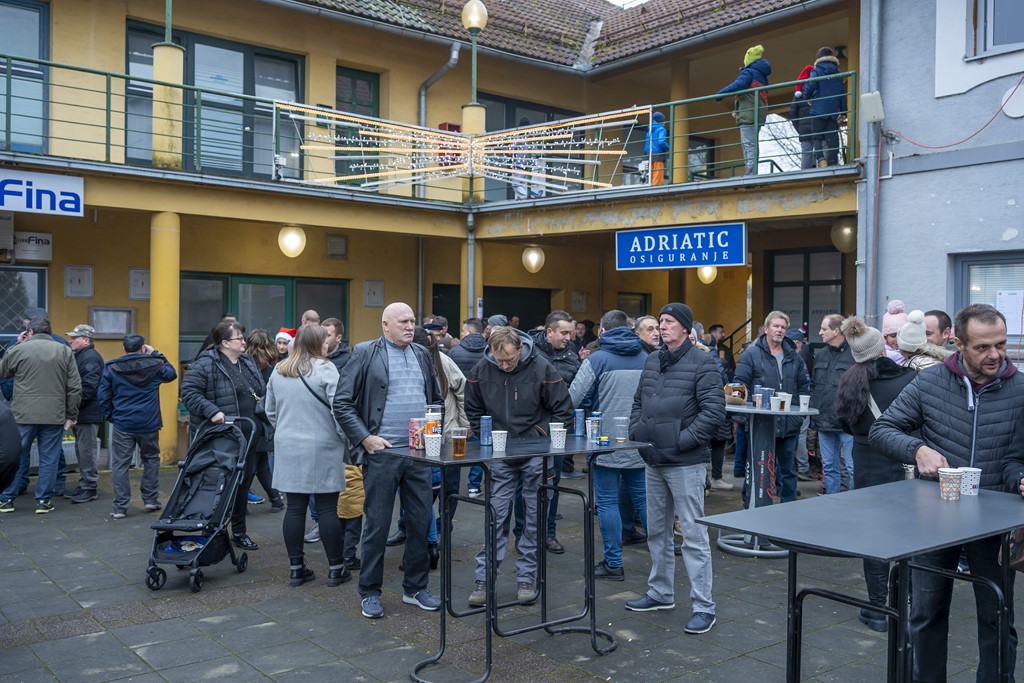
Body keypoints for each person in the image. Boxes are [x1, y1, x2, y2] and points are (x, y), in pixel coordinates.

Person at [870, 303, 1024, 681]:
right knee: (926, 613)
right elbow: (882, 430)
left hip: (994, 519)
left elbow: (1018, 457)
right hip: (935, 515)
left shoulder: (1020, 388)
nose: (995, 355)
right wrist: (917, 449)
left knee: (997, 614)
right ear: (958, 344)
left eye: (1001, 345)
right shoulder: (929, 381)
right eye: (983, 347)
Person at [333, 302, 442, 619]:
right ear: (385, 325)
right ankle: (369, 591)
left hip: (418, 452)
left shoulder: (421, 353)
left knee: (421, 523)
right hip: (382, 453)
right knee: (377, 525)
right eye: (404, 321)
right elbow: (342, 403)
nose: (411, 326)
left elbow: (434, 399)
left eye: (412, 321)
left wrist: (435, 433)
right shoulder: (365, 352)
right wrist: (366, 438)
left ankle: (415, 588)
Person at [625, 303, 722, 635]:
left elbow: (713, 412)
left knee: (693, 536)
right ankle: (660, 592)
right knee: (656, 531)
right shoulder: (653, 360)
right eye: (658, 323)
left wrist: (681, 441)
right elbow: (638, 402)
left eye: (667, 322)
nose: (660, 328)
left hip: (686, 462)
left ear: (684, 327)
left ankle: (703, 606)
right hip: (653, 458)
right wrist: (637, 432)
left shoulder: (703, 363)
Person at [465, 326, 573, 606]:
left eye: (510, 360)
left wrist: (539, 434)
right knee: (495, 516)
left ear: (520, 349)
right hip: (501, 453)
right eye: (499, 361)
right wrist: (485, 435)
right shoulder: (482, 368)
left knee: (534, 519)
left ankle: (527, 577)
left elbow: (563, 410)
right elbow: (473, 409)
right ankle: (485, 578)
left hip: (535, 452)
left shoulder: (541, 367)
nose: (504, 365)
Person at [835, 315, 915, 633]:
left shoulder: (849, 383)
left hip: (866, 466)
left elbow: (843, 423)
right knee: (908, 536)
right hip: (902, 463)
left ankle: (877, 608)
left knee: (874, 539)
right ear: (883, 348)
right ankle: (905, 603)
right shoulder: (908, 380)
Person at [265, 324, 350, 588]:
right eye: (324, 341)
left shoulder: (279, 371)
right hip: (323, 446)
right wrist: (344, 439)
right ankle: (336, 568)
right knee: (327, 509)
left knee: (294, 507)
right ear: (316, 344)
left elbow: (269, 411)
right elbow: (339, 411)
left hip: (288, 446)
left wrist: (286, 431)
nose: (327, 345)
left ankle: (295, 569)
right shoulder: (326, 370)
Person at [569, 310, 648, 580]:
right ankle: (663, 556)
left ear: (602, 331)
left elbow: (573, 398)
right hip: (639, 441)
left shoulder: (597, 359)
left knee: (606, 502)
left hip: (605, 442)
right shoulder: (647, 358)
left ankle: (614, 563)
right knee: (646, 500)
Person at [180, 319, 265, 551]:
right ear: (225, 343)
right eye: (239, 338)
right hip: (222, 438)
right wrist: (213, 411)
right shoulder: (206, 363)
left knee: (243, 484)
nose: (244, 341)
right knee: (219, 485)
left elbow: (260, 391)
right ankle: (211, 530)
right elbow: (188, 392)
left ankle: (239, 532)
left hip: (249, 437)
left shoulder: (247, 361)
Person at [0, 317, 81, 514]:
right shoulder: (64, 351)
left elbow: (3, 372)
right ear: (50, 332)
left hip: (23, 413)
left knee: (18, 455)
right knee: (49, 458)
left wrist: (16, 345)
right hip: (53, 413)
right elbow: (75, 386)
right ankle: (43, 501)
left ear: (30, 332)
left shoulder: (20, 349)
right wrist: (71, 413)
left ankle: (6, 499)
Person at [733, 311, 810, 503]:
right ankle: (750, 506)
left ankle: (789, 509)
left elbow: (804, 386)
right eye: (776, 326)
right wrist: (744, 418)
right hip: (761, 424)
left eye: (783, 327)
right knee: (757, 468)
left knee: (788, 471)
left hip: (788, 423)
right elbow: (739, 385)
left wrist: (798, 415)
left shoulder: (794, 356)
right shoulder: (751, 354)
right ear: (766, 329)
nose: (779, 330)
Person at [98, 334, 176, 519]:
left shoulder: (111, 367)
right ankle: (150, 499)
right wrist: (156, 353)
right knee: (150, 459)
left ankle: (120, 507)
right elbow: (171, 374)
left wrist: (111, 415)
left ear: (124, 349)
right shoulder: (155, 364)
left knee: (120, 464)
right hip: (148, 422)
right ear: (143, 348)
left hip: (123, 422)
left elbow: (103, 396)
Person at [810, 314, 855, 495]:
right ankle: (831, 502)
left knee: (852, 467)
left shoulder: (854, 354)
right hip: (824, 420)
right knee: (828, 466)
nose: (820, 332)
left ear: (836, 331)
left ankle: (856, 505)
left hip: (847, 421)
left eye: (824, 329)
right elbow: (814, 386)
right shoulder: (820, 355)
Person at [245, 329, 284, 512]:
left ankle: (240, 502)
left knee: (252, 465)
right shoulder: (275, 365)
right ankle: (276, 499)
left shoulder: (245, 365)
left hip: (252, 420)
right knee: (261, 463)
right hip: (268, 420)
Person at [716, 45, 771, 176]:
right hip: (758, 111)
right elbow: (748, 91)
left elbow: (739, 85)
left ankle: (751, 172)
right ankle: (752, 170)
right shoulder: (762, 74)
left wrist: (720, 94)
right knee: (752, 142)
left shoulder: (749, 72)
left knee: (748, 144)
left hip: (749, 111)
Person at [65, 324, 104, 504]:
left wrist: (74, 409)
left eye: (75, 338)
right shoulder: (83, 356)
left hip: (87, 412)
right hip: (84, 412)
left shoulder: (89, 358)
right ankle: (85, 484)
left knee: (86, 451)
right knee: (82, 450)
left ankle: (89, 487)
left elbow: (88, 388)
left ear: (86, 340)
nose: (71, 340)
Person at [450, 317, 488, 498]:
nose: (462, 334)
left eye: (463, 331)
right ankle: (474, 486)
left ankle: (451, 484)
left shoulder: (454, 352)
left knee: (456, 449)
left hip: (461, 409)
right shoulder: (489, 351)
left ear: (470, 332)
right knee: (480, 449)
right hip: (484, 408)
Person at [800, 47, 846, 168]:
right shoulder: (838, 73)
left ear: (818, 58)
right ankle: (832, 161)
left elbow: (811, 85)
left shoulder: (817, 70)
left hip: (818, 109)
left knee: (817, 136)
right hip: (833, 110)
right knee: (832, 136)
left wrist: (807, 97)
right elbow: (842, 94)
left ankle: (821, 160)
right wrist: (844, 111)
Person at [788, 63, 816, 169]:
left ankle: (805, 174)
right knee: (820, 151)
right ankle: (820, 173)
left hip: (804, 129)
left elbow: (792, 113)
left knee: (806, 152)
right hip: (818, 126)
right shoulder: (817, 90)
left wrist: (799, 127)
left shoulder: (799, 95)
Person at [644, 112, 669, 186]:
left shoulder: (649, 130)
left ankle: (651, 186)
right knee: (658, 175)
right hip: (658, 154)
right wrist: (668, 147)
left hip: (648, 154)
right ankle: (656, 188)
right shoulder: (661, 129)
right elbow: (661, 142)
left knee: (651, 175)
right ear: (661, 121)